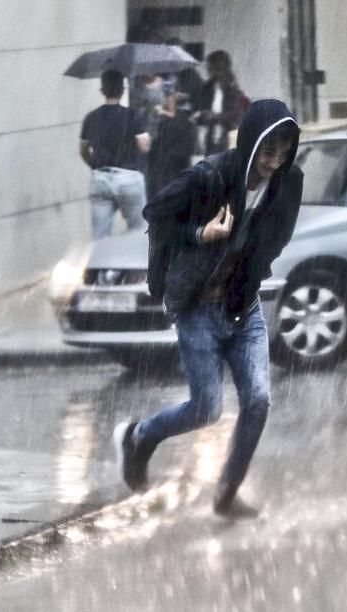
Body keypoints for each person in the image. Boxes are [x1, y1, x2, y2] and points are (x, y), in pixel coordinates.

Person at [113, 99, 303, 519]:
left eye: (282, 152)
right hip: (198, 307)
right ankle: (137, 437)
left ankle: (226, 494)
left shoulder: (289, 182)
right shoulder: (211, 175)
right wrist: (202, 233)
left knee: (257, 401)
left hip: (243, 306)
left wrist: (254, 263)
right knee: (206, 409)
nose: (274, 161)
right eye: (267, 151)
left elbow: (280, 231)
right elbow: (156, 214)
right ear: (251, 142)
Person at [80, 69, 151, 239]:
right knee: (138, 231)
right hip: (128, 177)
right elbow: (144, 147)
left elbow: (83, 150)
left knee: (100, 235)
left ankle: (104, 265)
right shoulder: (133, 115)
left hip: (101, 177)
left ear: (102, 91)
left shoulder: (91, 117)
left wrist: (95, 165)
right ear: (122, 90)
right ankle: (132, 264)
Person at [194, 50, 249, 155]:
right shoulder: (208, 88)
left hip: (228, 137)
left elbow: (235, 115)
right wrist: (200, 116)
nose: (207, 69)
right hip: (212, 138)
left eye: (210, 65)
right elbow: (202, 108)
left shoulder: (232, 89)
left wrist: (214, 116)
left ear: (218, 67)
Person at [146, 88, 197, 198]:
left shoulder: (184, 119)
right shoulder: (162, 120)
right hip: (165, 164)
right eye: (166, 100)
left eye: (169, 100)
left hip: (175, 163)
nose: (166, 102)